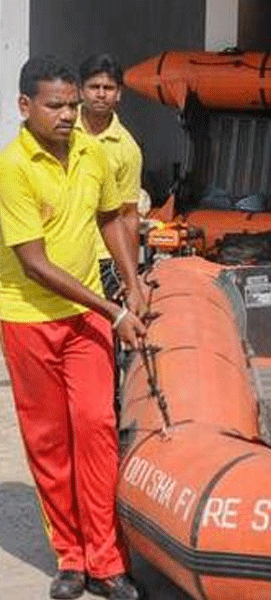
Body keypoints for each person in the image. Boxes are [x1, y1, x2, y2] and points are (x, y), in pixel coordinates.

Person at [0, 55, 147, 600]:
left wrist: (132, 284)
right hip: (28, 317)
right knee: (49, 443)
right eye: (55, 105)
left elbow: (112, 218)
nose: (67, 115)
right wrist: (115, 311)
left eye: (72, 104)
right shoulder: (12, 167)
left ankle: (107, 561)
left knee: (95, 429)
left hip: (84, 317)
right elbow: (35, 262)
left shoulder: (94, 152)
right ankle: (71, 558)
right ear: (25, 106)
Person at [75, 53, 143, 300]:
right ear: (80, 91)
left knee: (101, 331)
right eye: (94, 87)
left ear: (119, 93)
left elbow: (128, 215)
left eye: (108, 88)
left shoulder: (127, 148)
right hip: (60, 252)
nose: (101, 94)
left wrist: (131, 278)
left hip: (103, 259)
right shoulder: (62, 131)